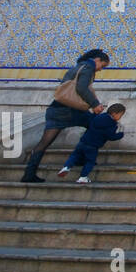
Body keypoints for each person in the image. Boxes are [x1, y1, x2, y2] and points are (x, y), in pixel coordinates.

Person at [21, 49, 110, 183]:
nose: (100, 70)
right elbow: (81, 88)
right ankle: (81, 158)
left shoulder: (77, 67)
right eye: (102, 66)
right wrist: (95, 104)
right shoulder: (88, 68)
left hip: (56, 109)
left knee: (44, 142)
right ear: (97, 60)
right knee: (95, 124)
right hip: (71, 110)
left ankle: (29, 173)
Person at [57, 103, 126, 183]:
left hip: (83, 141)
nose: (120, 117)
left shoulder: (99, 116)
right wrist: (120, 135)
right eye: (121, 115)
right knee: (90, 161)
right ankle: (83, 177)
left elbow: (90, 122)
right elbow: (110, 136)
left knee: (75, 155)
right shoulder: (112, 124)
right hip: (93, 146)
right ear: (115, 114)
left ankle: (66, 167)